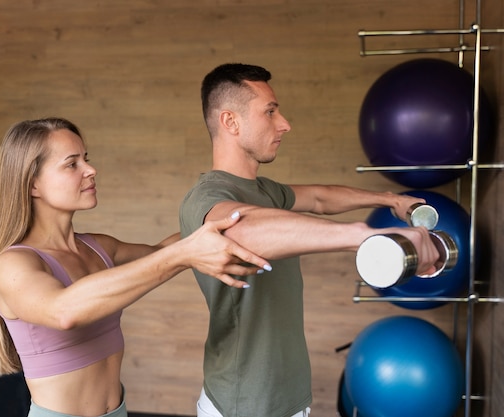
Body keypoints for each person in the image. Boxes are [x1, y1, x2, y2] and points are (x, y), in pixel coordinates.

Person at [179, 63, 442, 417]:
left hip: (288, 394)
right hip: (245, 403)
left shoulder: (264, 190)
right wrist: (366, 237)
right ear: (230, 122)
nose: (284, 123)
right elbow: (240, 230)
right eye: (270, 112)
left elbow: (320, 197)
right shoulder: (208, 196)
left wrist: (388, 200)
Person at [0, 117, 272, 417]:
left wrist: (233, 222)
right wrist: (184, 254)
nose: (91, 170)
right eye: (71, 164)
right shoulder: (13, 264)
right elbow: (63, 310)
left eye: (86, 159)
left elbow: (162, 251)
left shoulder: (98, 247)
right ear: (33, 184)